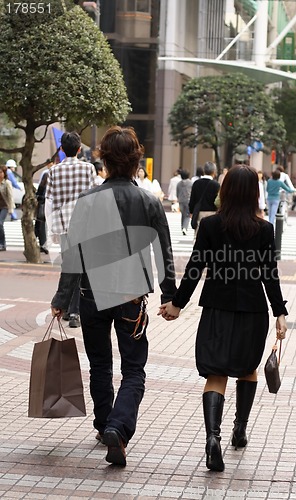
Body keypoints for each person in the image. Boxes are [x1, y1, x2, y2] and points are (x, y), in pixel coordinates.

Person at [50, 126, 177, 466]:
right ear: (137, 161)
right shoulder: (149, 201)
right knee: (134, 368)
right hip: (131, 295)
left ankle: (105, 422)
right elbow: (164, 252)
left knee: (100, 365)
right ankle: (118, 429)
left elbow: (72, 253)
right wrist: (171, 296)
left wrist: (62, 299)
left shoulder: (88, 201)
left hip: (91, 293)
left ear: (103, 160)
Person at [158, 165, 288, 472]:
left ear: (224, 191)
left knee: (215, 375)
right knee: (247, 370)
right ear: (255, 195)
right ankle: (239, 430)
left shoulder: (211, 225)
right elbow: (270, 275)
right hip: (253, 311)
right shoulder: (265, 229)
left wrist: (177, 303)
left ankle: (212, 439)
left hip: (216, 309)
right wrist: (279, 312)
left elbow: (195, 267)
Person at [45, 131, 97, 328]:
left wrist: (52, 230)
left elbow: (49, 203)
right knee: (83, 270)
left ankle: (69, 309)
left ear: (62, 150)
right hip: (86, 227)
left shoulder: (54, 171)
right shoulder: (88, 168)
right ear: (79, 149)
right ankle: (76, 312)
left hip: (65, 227)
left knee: (70, 268)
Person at [189, 161, 220, 234]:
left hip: (199, 213)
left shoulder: (196, 183)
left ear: (204, 171)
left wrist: (191, 211)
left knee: (199, 235)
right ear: (214, 172)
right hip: (212, 213)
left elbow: (192, 199)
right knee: (212, 235)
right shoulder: (216, 185)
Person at [0, 165, 15, 251]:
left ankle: (2, 243)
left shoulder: (7, 183)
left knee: (0, 223)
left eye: (1, 172)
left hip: (4, 206)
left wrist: (11, 209)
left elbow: (10, 196)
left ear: (4, 173)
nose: (0, 174)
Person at [34, 171, 49, 254]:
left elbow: (38, 196)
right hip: (43, 208)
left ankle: (41, 244)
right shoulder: (45, 186)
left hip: (43, 208)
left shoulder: (43, 186)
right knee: (40, 226)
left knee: (40, 225)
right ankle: (42, 244)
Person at [176, 169, 192, 235]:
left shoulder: (179, 184)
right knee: (187, 215)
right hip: (188, 200)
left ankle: (182, 227)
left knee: (183, 214)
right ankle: (185, 228)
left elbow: (177, 192)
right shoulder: (190, 183)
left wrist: (178, 198)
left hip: (181, 200)